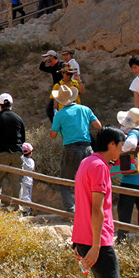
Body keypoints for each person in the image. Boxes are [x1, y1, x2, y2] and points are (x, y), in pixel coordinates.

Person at [51, 126, 136, 278]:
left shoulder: (89, 163)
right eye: (120, 145)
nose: (121, 150)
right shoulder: (99, 167)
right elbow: (97, 210)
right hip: (97, 240)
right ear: (111, 144)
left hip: (86, 237)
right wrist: (98, 246)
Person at [50, 84, 102, 214]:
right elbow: (98, 126)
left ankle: (71, 211)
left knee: (64, 182)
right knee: (87, 182)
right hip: (87, 148)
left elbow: (53, 135)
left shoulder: (59, 115)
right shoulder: (85, 109)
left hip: (70, 149)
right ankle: (89, 209)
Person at [115, 108, 139, 243]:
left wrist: (122, 149)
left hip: (132, 177)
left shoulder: (135, 133)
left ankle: (122, 239)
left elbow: (130, 144)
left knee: (125, 211)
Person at [0, 93, 26, 210]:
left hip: (1, 153)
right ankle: (17, 208)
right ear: (11, 104)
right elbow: (23, 139)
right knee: (17, 183)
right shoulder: (18, 118)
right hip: (17, 153)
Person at [40, 49, 64, 122]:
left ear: (52, 56)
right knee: (51, 110)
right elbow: (42, 68)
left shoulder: (60, 65)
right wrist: (43, 61)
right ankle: (57, 126)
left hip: (62, 90)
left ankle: (57, 127)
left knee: (51, 110)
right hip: (57, 90)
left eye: (48, 56)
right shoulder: (52, 67)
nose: (47, 58)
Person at [20, 142, 35, 214]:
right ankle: (30, 208)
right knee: (29, 195)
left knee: (24, 196)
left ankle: (27, 209)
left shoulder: (22, 160)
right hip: (30, 180)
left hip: (23, 180)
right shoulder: (32, 161)